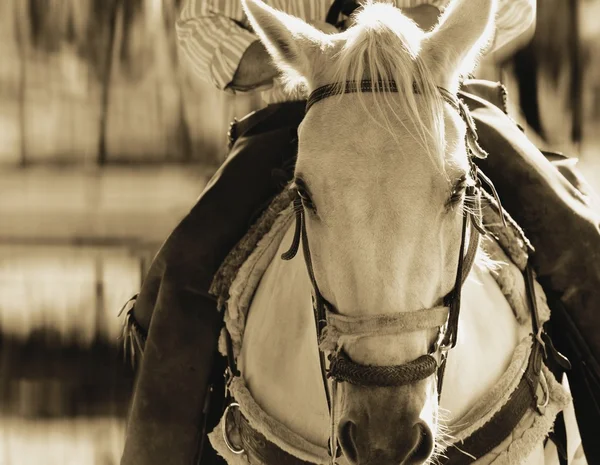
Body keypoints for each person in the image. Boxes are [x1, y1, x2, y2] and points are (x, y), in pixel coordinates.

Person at [119, 2, 544, 465]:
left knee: (582, 242)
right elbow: (200, 22)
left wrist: (425, 33)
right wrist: (297, 54)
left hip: (438, 101)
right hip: (303, 107)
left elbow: (518, 7)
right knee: (179, 274)